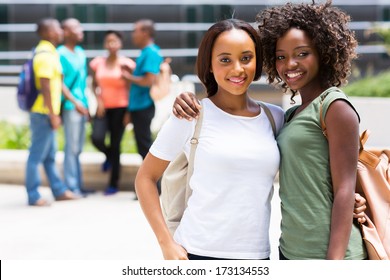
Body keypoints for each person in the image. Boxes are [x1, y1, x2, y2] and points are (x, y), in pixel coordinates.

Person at [172, 1, 367, 260]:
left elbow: (344, 188)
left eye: (302, 53)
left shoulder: (335, 106)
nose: (290, 64)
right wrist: (187, 100)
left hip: (330, 255)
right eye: (281, 57)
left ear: (323, 52)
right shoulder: (287, 116)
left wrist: (332, 265)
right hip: (290, 250)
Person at [136, 19, 285, 260]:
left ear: (257, 61)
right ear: (210, 65)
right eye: (225, 60)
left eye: (246, 58)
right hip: (196, 253)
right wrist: (166, 243)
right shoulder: (190, 115)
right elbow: (145, 177)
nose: (237, 69)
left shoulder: (274, 118)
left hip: (257, 257)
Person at [25, 18, 79, 206]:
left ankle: (59, 190)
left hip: (47, 112)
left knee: (49, 156)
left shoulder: (50, 52)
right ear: (49, 32)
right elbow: (46, 87)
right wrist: (53, 115)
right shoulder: (45, 55)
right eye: (57, 28)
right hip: (43, 113)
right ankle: (33, 195)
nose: (61, 30)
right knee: (36, 156)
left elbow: (57, 84)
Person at [89, 30, 136, 195]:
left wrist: (129, 112)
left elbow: (132, 88)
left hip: (121, 108)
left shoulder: (127, 64)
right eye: (108, 41)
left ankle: (113, 184)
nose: (111, 44)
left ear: (120, 44)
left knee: (115, 145)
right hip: (103, 107)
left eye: (114, 41)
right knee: (96, 138)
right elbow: (94, 84)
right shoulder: (97, 63)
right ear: (105, 44)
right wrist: (99, 100)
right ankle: (109, 157)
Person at [57, 18, 90, 196]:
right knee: (71, 147)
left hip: (82, 106)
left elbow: (83, 83)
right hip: (70, 106)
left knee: (78, 148)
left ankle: (78, 184)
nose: (81, 30)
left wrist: (86, 105)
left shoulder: (80, 52)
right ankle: (71, 186)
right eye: (76, 27)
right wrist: (76, 102)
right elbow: (59, 83)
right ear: (66, 32)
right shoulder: (60, 53)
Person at [122, 19, 163, 160]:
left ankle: (156, 181)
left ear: (145, 32)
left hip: (143, 106)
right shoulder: (146, 52)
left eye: (135, 31)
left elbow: (148, 80)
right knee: (142, 146)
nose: (133, 35)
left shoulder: (151, 52)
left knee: (145, 147)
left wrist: (128, 77)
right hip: (138, 106)